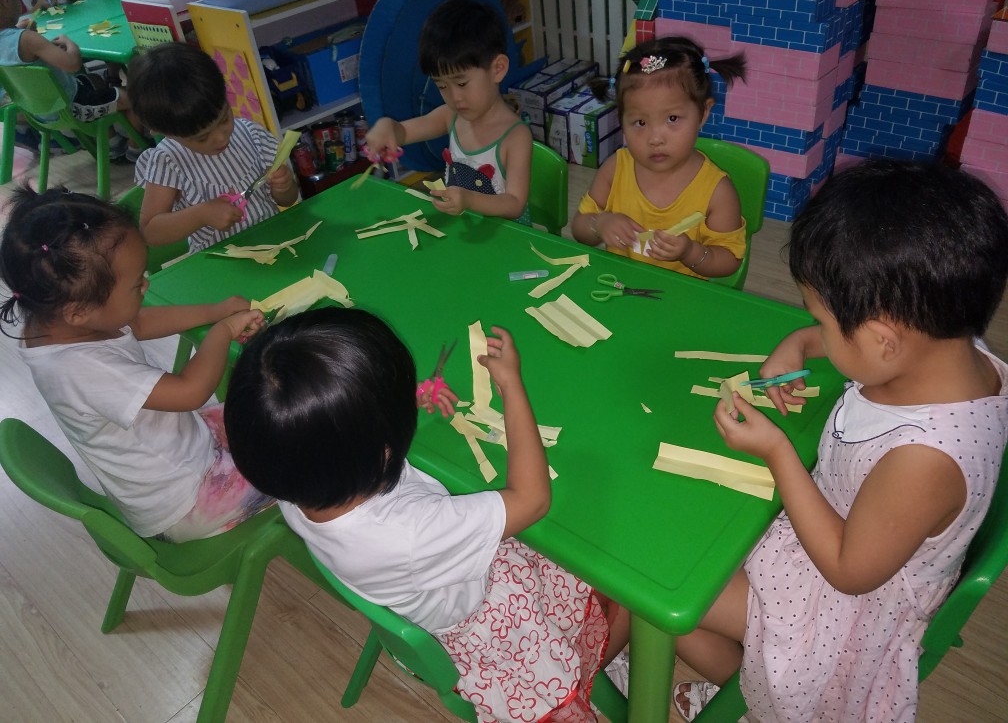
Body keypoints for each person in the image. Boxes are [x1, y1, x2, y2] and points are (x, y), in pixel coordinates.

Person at [672, 159, 1008, 722]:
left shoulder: (923, 461)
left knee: (674, 596)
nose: (818, 332)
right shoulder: (947, 345)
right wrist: (802, 343)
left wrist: (778, 453)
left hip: (844, 603)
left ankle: (752, 703)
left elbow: (849, 572)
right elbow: (876, 343)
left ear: (883, 340)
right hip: (850, 534)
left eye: (822, 323)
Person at [223, 308, 630, 722]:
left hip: (431, 594)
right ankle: (596, 675)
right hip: (497, 626)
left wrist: (397, 408)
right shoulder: (410, 533)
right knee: (629, 591)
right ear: (381, 449)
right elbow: (533, 499)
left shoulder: (293, 482)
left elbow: (329, 444)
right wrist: (511, 386)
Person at [0, 186, 276, 542]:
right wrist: (222, 331)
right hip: (185, 500)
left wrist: (214, 311)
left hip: (184, 450)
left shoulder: (58, 320)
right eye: (136, 285)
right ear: (79, 311)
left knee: (269, 410)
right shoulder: (80, 371)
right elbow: (190, 392)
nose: (146, 285)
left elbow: (137, 322)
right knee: (299, 453)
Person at [570, 36, 747, 280]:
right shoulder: (615, 168)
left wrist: (690, 252)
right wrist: (599, 223)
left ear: (703, 113)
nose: (655, 138)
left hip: (683, 296)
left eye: (672, 119)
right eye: (640, 122)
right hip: (618, 287)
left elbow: (729, 261)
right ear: (621, 120)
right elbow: (579, 229)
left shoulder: (717, 191)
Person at [365, 0, 533, 226]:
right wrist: (387, 127)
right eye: (442, 86)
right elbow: (403, 131)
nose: (454, 97)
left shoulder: (516, 136)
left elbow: (515, 204)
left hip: (507, 236)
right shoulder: (449, 116)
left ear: (498, 69)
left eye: (461, 83)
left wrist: (470, 200)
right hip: (464, 229)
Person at [127, 42, 300, 253]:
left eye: (225, 118)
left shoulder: (251, 135)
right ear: (163, 132)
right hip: (219, 261)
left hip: (274, 247)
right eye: (202, 138)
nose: (220, 138)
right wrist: (202, 214)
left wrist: (284, 187)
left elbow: (288, 200)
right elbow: (150, 232)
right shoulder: (168, 160)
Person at [0, 0, 136, 159]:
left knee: (94, 80)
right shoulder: (27, 39)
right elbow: (72, 64)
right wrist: (68, 43)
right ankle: (135, 149)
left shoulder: (22, 38)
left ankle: (112, 141)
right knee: (139, 96)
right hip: (72, 107)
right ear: (6, 0)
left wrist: (22, 34)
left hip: (36, 112)